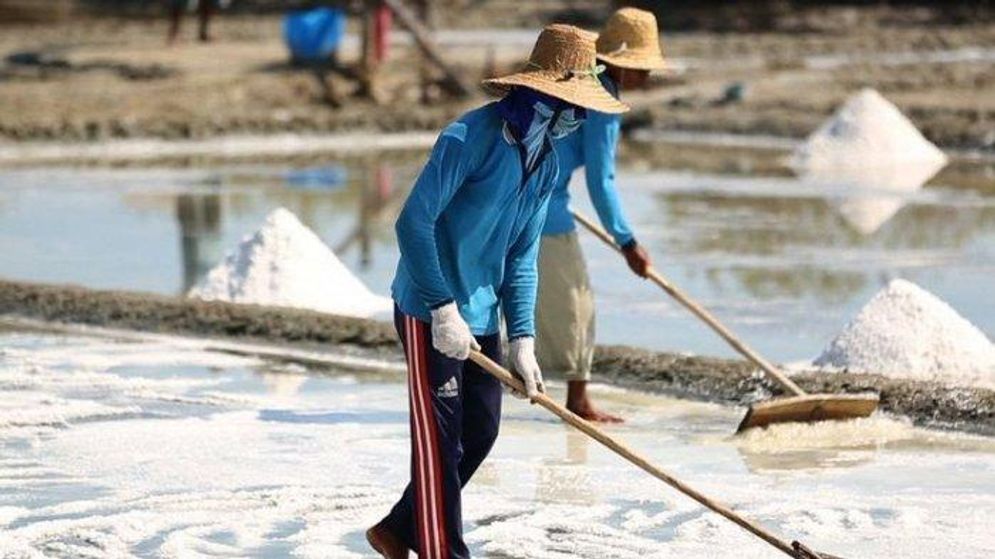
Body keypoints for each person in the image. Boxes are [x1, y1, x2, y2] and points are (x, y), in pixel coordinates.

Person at [366, 24, 628, 559]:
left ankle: (397, 528)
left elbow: (522, 257)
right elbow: (413, 225)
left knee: (480, 433)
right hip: (427, 308)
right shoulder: (469, 138)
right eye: (572, 105)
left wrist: (523, 339)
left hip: (481, 315)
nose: (578, 118)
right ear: (544, 95)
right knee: (438, 447)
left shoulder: (545, 163)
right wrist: (441, 308)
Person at [536, 7, 667, 423]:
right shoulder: (604, 98)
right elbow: (601, 181)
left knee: (516, 299)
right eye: (641, 68)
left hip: (525, 196)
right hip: (541, 210)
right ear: (620, 65)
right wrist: (627, 242)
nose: (646, 78)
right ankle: (577, 401)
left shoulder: (576, 76)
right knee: (577, 303)